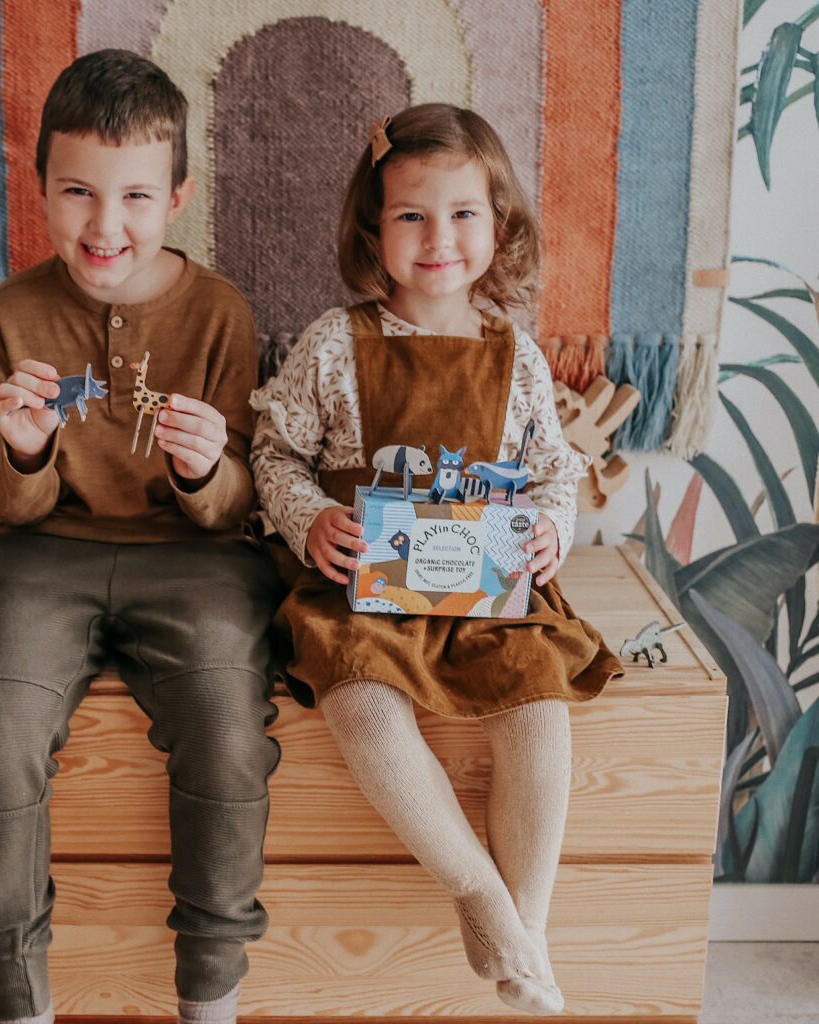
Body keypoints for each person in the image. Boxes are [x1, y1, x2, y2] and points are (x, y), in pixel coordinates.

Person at [250, 104, 622, 1016]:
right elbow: (273, 452)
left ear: (500, 225)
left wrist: (548, 528)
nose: (439, 238)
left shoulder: (518, 358)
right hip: (365, 596)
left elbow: (553, 470)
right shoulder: (335, 344)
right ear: (373, 231)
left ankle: (523, 938)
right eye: (411, 214)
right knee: (365, 710)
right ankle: (478, 892)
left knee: (540, 713)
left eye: (463, 213)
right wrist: (308, 524)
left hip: (491, 591)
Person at [0, 50, 281, 1024]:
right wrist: (29, 450)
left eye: (134, 195)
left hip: (196, 560)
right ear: (41, 189)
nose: (105, 224)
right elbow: (15, 507)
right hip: (44, 558)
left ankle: (209, 993)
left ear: (176, 197)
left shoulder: (217, 311)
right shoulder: (15, 308)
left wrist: (202, 465)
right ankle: (18, 995)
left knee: (226, 729)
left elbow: (232, 508)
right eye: (78, 192)